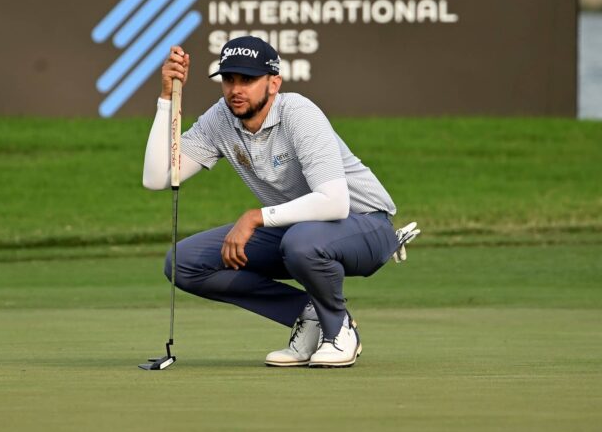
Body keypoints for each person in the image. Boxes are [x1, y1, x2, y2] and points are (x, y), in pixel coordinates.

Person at [142, 36, 419, 368]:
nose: (236, 89)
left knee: (301, 242)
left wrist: (255, 217)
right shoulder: (220, 119)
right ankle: (309, 314)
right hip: (298, 231)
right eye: (229, 79)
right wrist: (166, 98)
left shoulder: (299, 113)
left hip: (367, 226)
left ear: (273, 83)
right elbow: (157, 177)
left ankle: (338, 329)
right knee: (183, 262)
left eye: (248, 80)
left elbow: (334, 203)